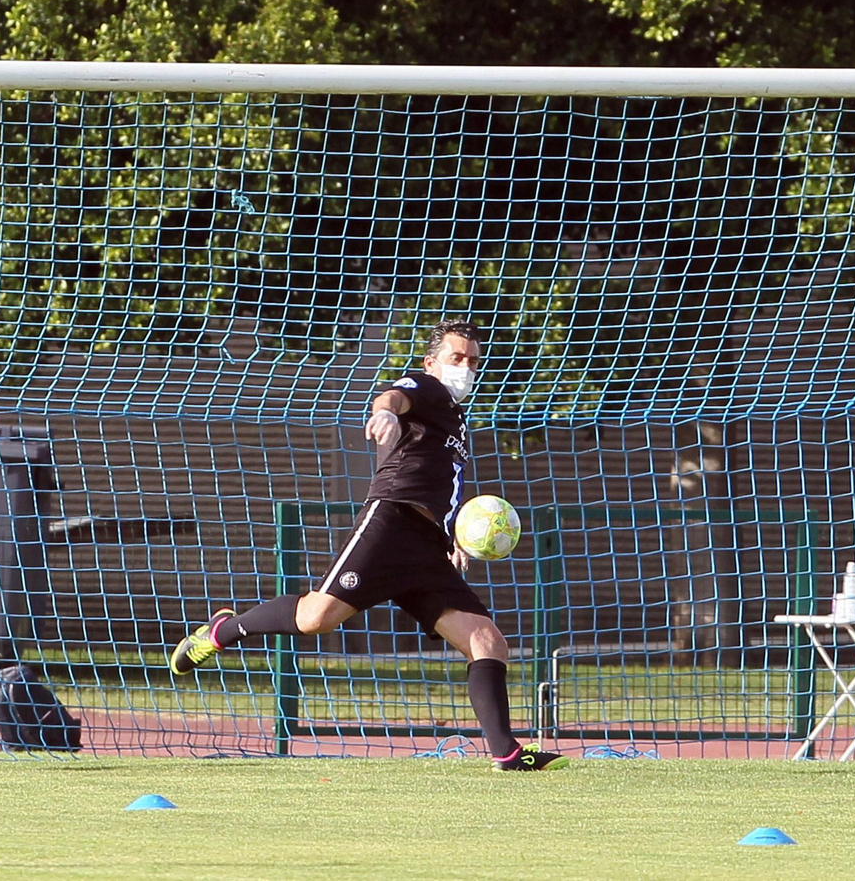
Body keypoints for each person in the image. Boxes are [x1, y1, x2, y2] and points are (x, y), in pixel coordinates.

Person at [169, 319, 567, 771]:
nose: (465, 367)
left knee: (487, 640)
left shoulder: (455, 417)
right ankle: (221, 631)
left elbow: (443, 481)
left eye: (473, 360)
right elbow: (393, 395)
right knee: (317, 618)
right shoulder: (427, 387)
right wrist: (386, 413)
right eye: (457, 358)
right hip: (390, 522)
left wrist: (454, 532)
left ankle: (507, 754)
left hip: (428, 545)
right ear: (432, 362)